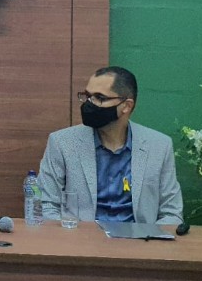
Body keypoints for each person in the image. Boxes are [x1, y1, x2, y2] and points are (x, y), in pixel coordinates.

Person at [38, 66, 183, 225]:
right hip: (81, 237)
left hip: (139, 237)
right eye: (87, 96)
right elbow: (46, 206)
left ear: (126, 106)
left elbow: (171, 213)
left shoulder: (159, 146)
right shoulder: (62, 143)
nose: (90, 103)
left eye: (99, 97)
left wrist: (149, 238)